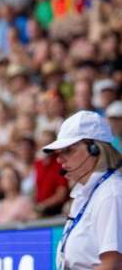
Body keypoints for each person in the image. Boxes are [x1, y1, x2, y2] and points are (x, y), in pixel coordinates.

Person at [43, 111, 121, 269]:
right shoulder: (86, 194)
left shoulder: (111, 194)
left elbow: (113, 265)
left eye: (68, 150)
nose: (59, 159)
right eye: (59, 152)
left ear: (95, 150)